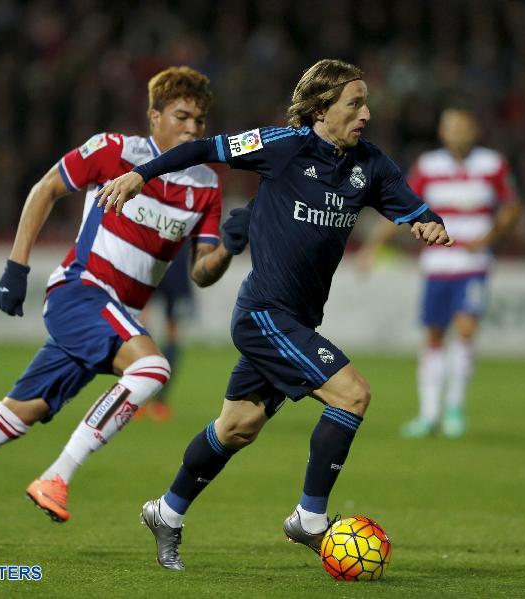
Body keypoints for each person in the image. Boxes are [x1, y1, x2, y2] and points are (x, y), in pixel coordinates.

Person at [0, 66, 251, 547]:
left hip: (116, 317)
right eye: (182, 116)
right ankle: (58, 476)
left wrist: (230, 248)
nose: (193, 129)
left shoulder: (204, 187)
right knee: (152, 369)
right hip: (81, 292)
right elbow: (46, 187)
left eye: (200, 120)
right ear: (154, 116)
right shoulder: (116, 151)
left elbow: (201, 272)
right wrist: (16, 266)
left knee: (13, 417)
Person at [96, 58, 453, 570]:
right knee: (353, 394)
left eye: (365, 103)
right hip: (264, 313)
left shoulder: (370, 165)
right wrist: (139, 175)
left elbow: (413, 207)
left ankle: (166, 513)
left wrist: (430, 224)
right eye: (354, 104)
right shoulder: (282, 146)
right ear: (321, 108)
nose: (366, 113)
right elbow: (204, 147)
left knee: (237, 426)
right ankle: (309, 519)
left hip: (298, 321)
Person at [358, 105, 521, 438]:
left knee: (465, 328)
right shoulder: (429, 166)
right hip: (437, 265)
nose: (455, 133)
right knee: (433, 335)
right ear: (442, 133)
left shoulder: (492, 164)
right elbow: (401, 205)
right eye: (449, 127)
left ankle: (455, 409)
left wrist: (489, 237)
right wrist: (373, 246)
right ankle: (429, 414)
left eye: (461, 127)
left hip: (473, 265)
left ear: (473, 131)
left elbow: (512, 208)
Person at [135, 239, 195, 422]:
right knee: (170, 335)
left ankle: (144, 399)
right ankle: (157, 401)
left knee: (142, 331)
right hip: (172, 263)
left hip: (154, 259)